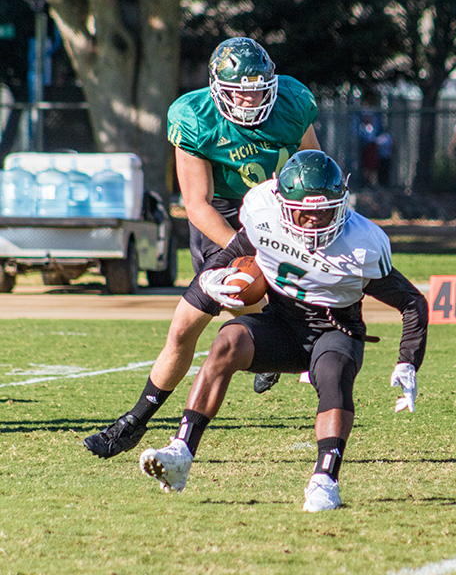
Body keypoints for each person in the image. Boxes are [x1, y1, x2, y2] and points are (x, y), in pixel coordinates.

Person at [137, 150, 428, 512]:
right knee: (227, 339)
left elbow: (412, 302)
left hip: (334, 328)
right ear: (281, 203)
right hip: (282, 321)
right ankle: (181, 452)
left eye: (324, 211)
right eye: (303, 211)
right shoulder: (263, 214)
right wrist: (211, 278)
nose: (313, 222)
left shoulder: (361, 243)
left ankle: (325, 480)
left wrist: (407, 361)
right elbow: (237, 249)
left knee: (334, 374)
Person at [83, 37, 321, 459]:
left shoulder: (293, 101)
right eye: (240, 90)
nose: (250, 99)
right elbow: (196, 203)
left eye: (258, 88)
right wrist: (244, 247)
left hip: (276, 208)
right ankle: (139, 419)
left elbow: (312, 169)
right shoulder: (195, 116)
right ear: (218, 89)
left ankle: (133, 422)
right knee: (197, 322)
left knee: (213, 311)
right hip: (223, 217)